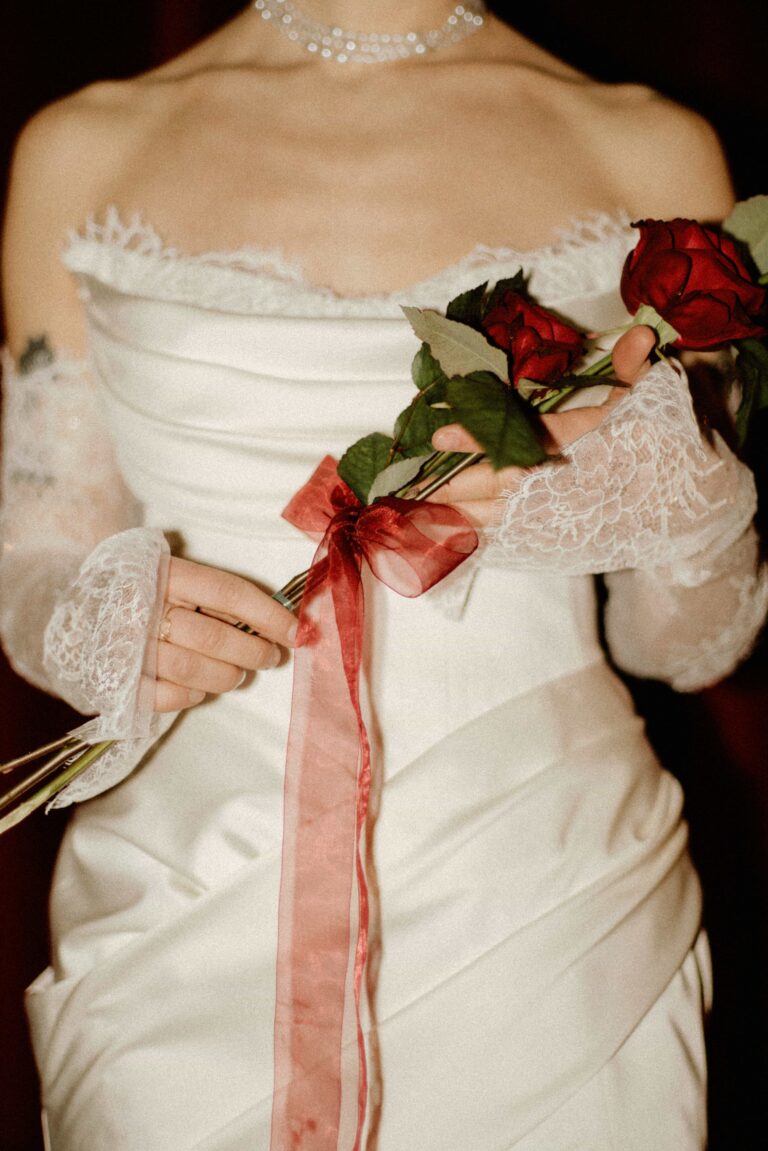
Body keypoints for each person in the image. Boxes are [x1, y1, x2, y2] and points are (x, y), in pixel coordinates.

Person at [1, 2, 765, 1147]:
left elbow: (686, 641)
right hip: (188, 914)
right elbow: (36, 564)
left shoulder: (647, 149)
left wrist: (670, 497)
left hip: (548, 917)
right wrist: (105, 621)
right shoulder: (85, 147)